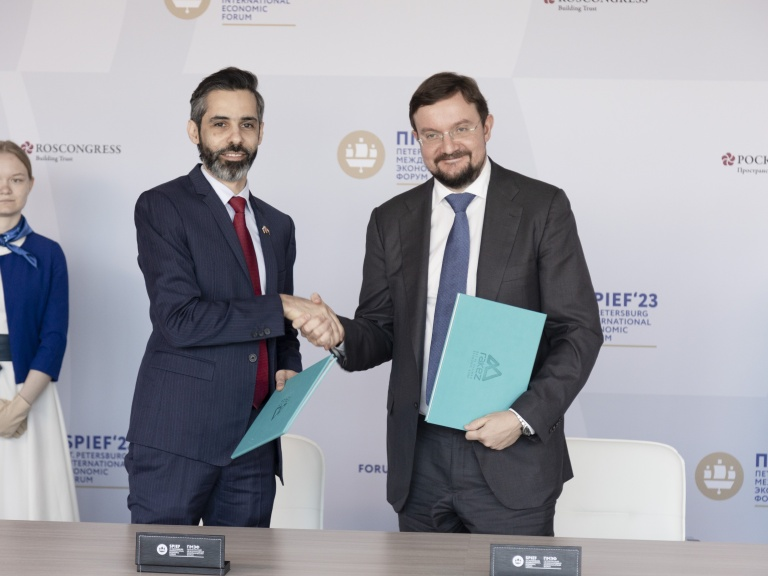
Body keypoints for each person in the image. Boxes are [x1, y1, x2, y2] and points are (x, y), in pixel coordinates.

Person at [296, 72, 603, 535]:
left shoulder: (542, 208)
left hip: (511, 453)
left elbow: (578, 332)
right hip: (420, 459)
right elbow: (379, 332)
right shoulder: (390, 220)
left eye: (461, 128)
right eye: (432, 134)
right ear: (416, 139)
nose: (449, 146)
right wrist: (338, 334)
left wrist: (521, 418)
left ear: (487, 126)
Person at [126, 67, 336, 527]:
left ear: (261, 132)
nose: (235, 137)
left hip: (254, 440)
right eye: (220, 124)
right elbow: (179, 320)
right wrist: (284, 305)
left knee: (246, 560)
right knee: (162, 560)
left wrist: (288, 364)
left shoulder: (278, 224)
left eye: (247, 124)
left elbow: (280, 331)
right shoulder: (163, 206)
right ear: (194, 131)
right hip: (178, 435)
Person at [0, 140, 79, 521]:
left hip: (31, 392)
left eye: (16, 179)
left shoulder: (48, 253)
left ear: (30, 184)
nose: (5, 189)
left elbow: (54, 338)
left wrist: (18, 407)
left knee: (33, 504)